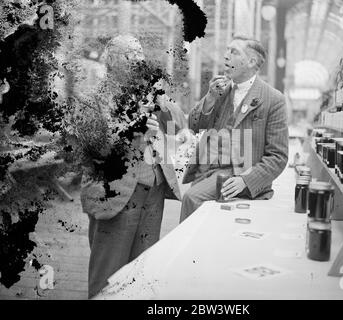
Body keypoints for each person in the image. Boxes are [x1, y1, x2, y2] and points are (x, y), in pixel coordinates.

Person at [78, 35, 181, 298]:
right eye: (130, 55)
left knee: (142, 271)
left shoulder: (149, 93)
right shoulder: (95, 98)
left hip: (154, 190)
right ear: (112, 61)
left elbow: (180, 125)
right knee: (109, 274)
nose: (138, 60)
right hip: (118, 193)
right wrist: (133, 134)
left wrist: (164, 103)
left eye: (139, 54)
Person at [180, 36, 289, 221]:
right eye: (227, 50)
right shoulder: (219, 91)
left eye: (234, 51)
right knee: (197, 203)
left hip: (239, 174)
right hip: (207, 170)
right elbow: (193, 124)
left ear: (251, 61)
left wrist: (245, 181)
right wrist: (210, 98)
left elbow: (278, 156)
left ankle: (189, 249)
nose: (226, 56)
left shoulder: (273, 99)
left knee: (191, 198)